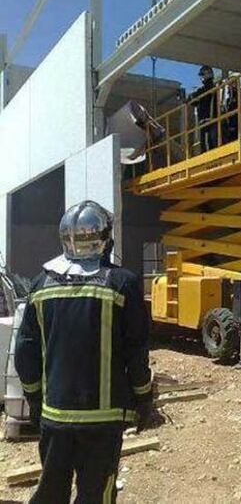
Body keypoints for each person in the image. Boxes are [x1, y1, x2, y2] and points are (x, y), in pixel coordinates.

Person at [15, 200, 152, 504]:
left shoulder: (40, 285)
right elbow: (136, 351)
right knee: (95, 495)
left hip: (54, 417)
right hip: (102, 422)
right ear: (106, 238)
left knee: (51, 492)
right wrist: (144, 397)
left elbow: (25, 352)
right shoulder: (122, 284)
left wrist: (35, 399)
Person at [188, 65, 218, 152]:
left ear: (208, 74)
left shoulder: (210, 87)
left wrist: (191, 96)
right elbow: (194, 102)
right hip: (205, 120)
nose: (202, 77)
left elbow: (195, 98)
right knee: (206, 141)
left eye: (203, 74)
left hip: (209, 119)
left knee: (208, 141)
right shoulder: (205, 88)